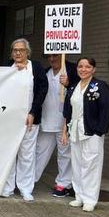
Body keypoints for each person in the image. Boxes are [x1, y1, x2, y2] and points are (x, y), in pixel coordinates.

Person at [61, 58, 109, 212]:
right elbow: (67, 111)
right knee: (77, 165)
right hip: (75, 131)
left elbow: (106, 108)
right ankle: (79, 196)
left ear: (93, 69)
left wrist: (99, 130)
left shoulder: (100, 86)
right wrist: (65, 131)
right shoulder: (73, 86)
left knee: (91, 165)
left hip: (92, 131)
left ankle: (90, 199)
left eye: (87, 67)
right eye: (80, 66)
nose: (83, 69)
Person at [0, 38, 48, 202]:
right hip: (9, 119)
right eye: (15, 50)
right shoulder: (7, 67)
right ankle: (7, 186)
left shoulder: (36, 68)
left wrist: (33, 112)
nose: (18, 53)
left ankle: (25, 188)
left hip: (29, 118)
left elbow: (42, 90)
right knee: (9, 153)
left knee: (27, 154)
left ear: (27, 52)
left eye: (21, 50)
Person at [35, 53, 80, 196]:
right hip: (46, 120)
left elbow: (80, 90)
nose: (52, 58)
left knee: (65, 154)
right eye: (49, 56)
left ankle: (63, 184)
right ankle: (29, 180)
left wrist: (69, 83)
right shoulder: (45, 72)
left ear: (63, 55)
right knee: (38, 152)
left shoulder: (73, 70)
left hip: (64, 121)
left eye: (55, 55)